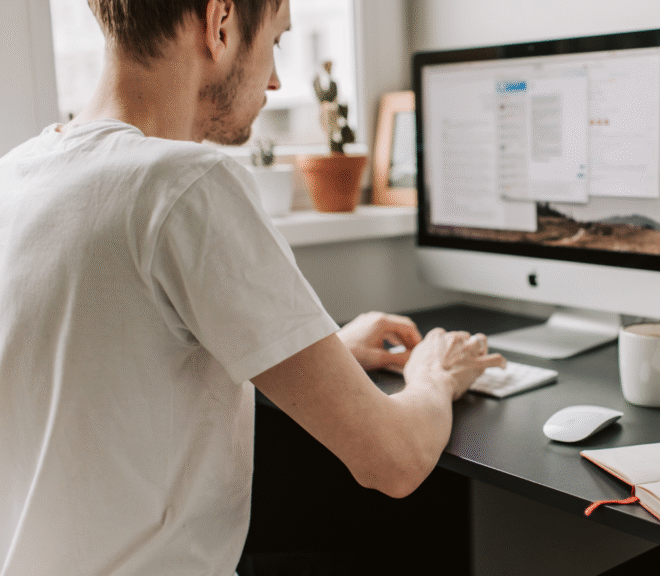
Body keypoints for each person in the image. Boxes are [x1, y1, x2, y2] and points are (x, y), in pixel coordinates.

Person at [0, 1, 505, 575]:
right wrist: (433, 376)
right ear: (220, 24)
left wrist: (328, 350)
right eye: (276, 41)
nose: (275, 78)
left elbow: (113, 380)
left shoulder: (17, 176)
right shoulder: (187, 185)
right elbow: (394, 461)